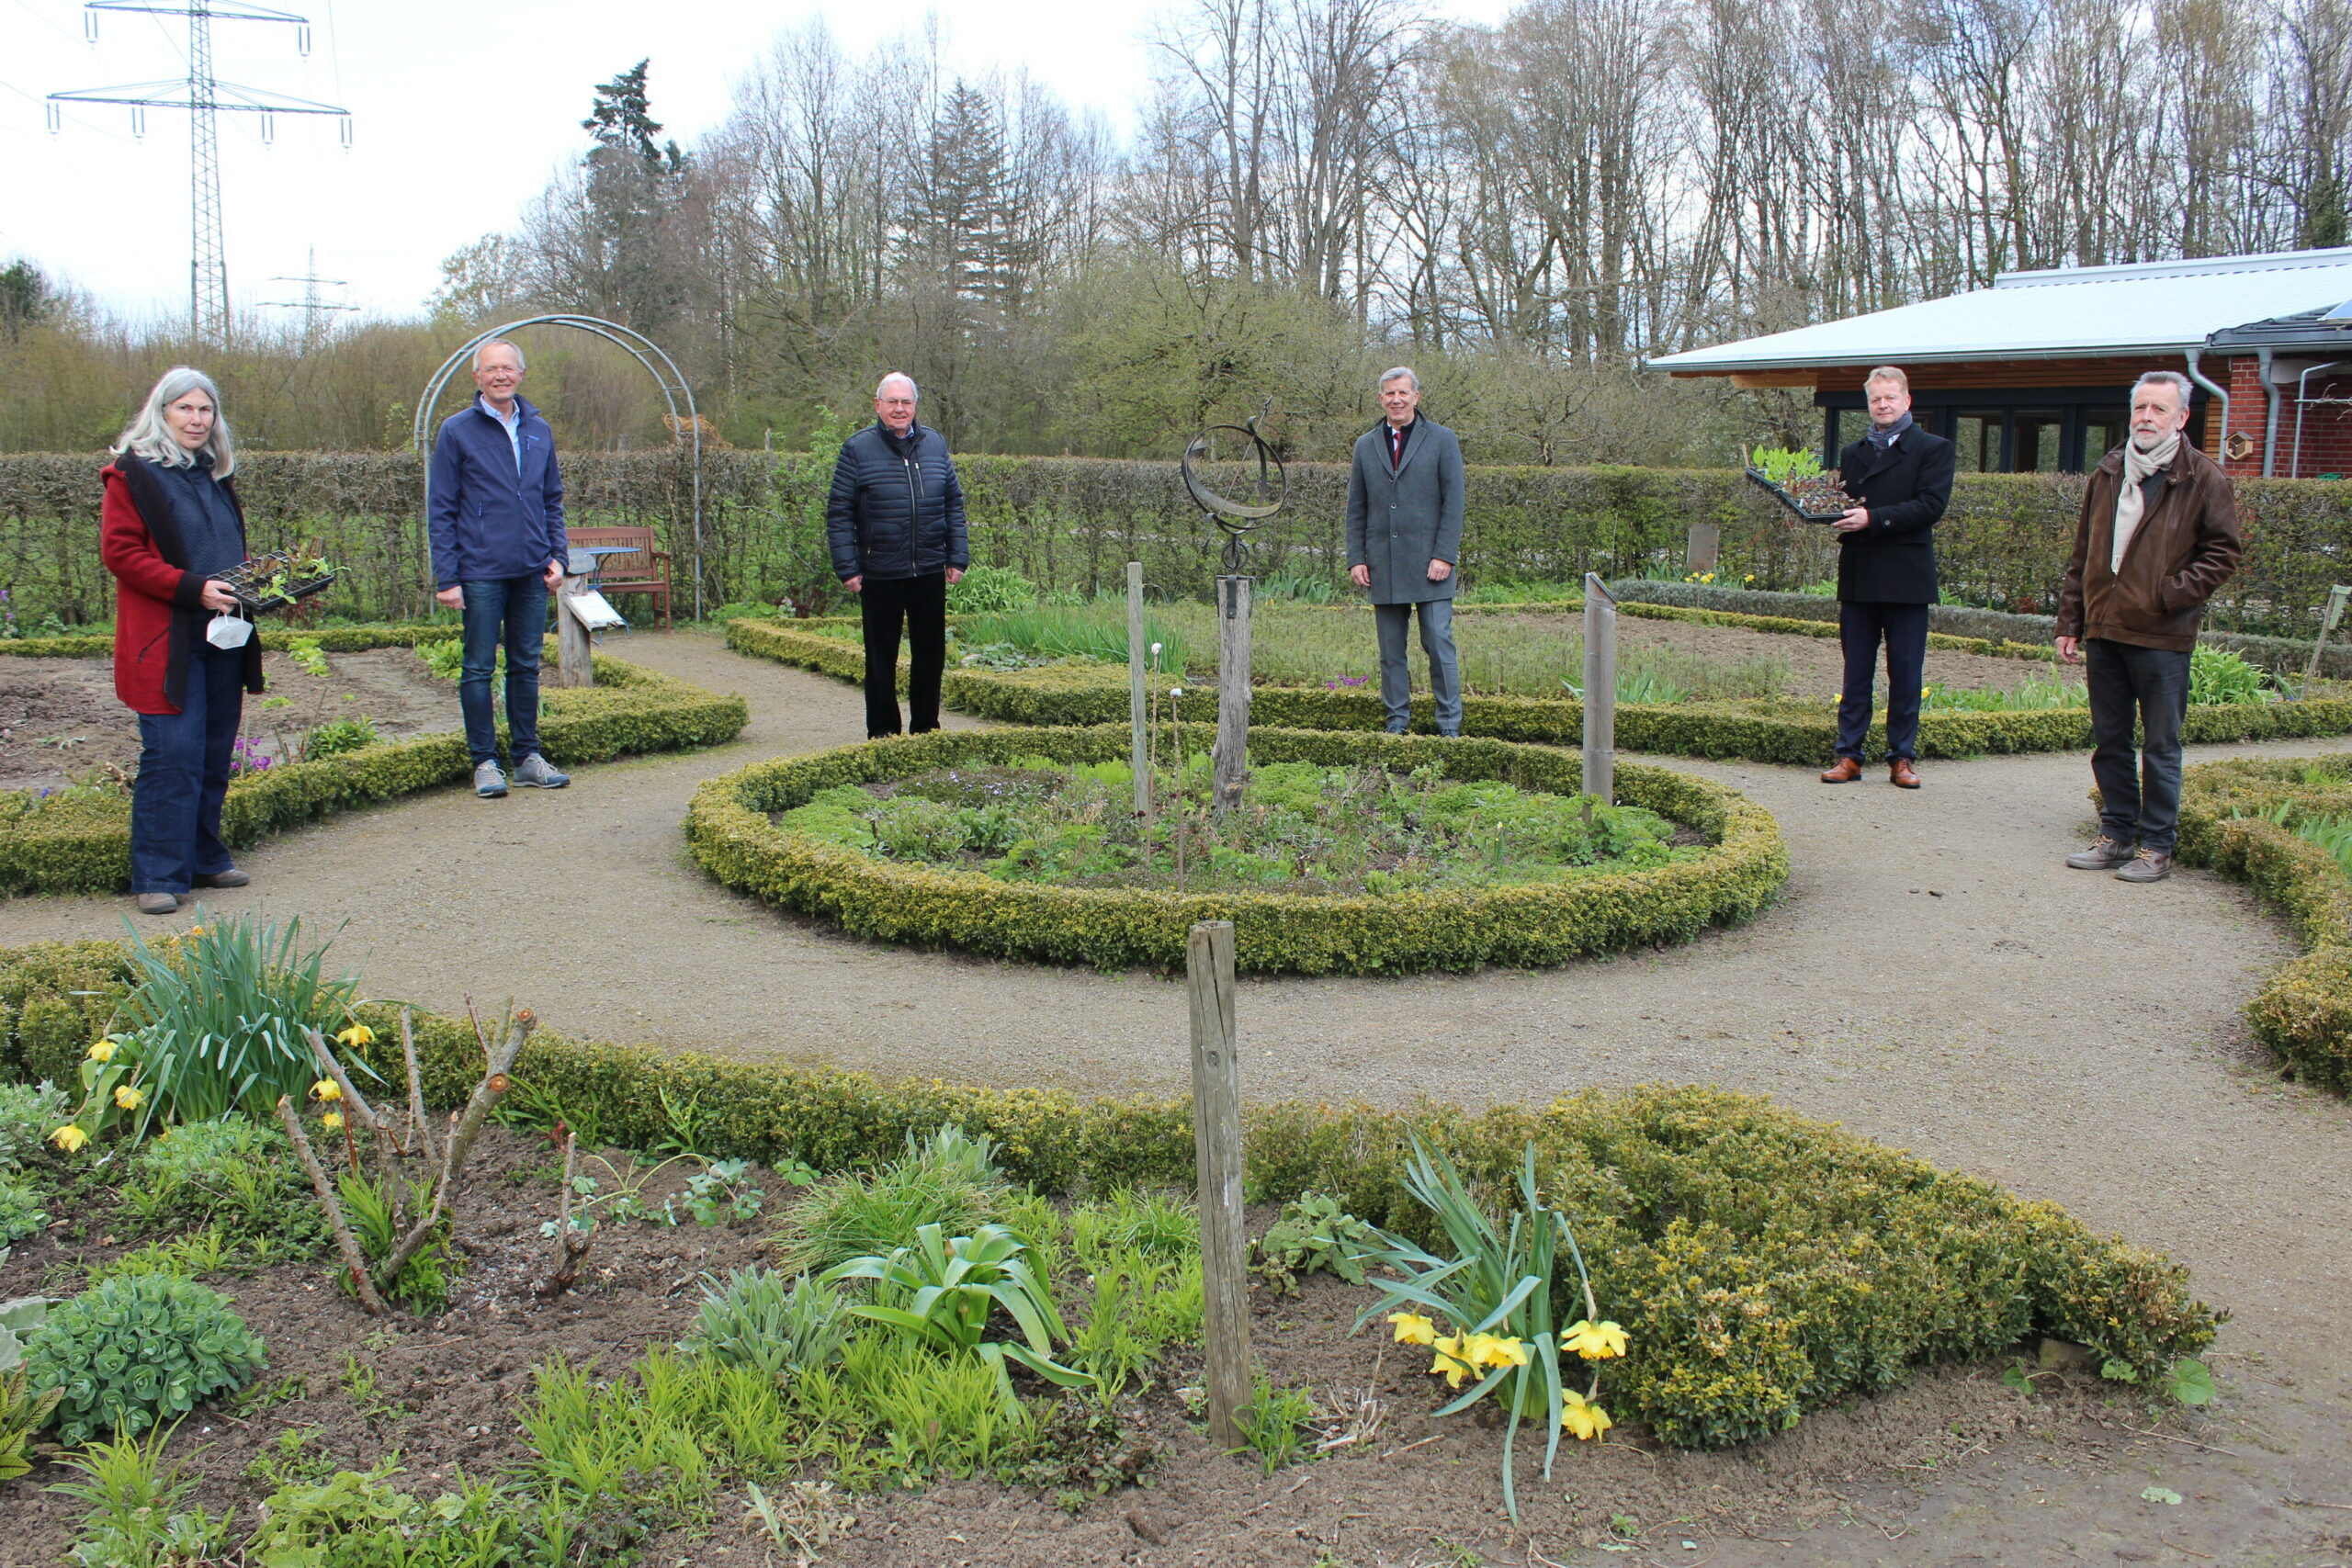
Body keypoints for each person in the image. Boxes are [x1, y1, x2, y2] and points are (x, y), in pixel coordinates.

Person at [2056, 372, 2243, 884]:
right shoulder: (2109, 470)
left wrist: (2168, 594)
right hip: (2105, 629)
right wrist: (2071, 619)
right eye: (2140, 408)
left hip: (2162, 634)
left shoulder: (2203, 478)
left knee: (2161, 746)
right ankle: (2116, 835)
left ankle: (2157, 847)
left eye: (2159, 409)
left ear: (2181, 417)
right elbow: (2084, 553)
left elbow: (2223, 553)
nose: (2146, 418)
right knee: (2110, 740)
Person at [99, 367, 266, 916]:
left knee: (215, 748)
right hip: (164, 640)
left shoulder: (215, 476)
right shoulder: (133, 476)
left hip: (222, 636)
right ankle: (157, 874)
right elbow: (121, 554)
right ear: (162, 413)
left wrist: (260, 586)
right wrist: (193, 589)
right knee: (173, 752)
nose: (197, 419)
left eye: (206, 410)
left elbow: (224, 553)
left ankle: (203, 856)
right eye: (185, 408)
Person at [428, 339, 570, 798]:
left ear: (521, 374)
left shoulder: (539, 430)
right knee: (478, 668)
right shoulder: (456, 431)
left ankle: (528, 757)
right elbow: (442, 507)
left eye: (508, 368)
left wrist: (558, 556)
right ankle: (485, 762)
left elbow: (551, 500)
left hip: (531, 568)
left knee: (526, 665)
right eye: (491, 369)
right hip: (481, 570)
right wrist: (447, 577)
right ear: (477, 378)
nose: (500, 375)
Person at [1819, 366, 1955, 789]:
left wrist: (1873, 519)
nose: (1883, 405)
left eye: (1891, 397)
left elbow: (1931, 506)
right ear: (1869, 403)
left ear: (1907, 401)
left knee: (1906, 671)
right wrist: (1827, 513)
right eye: (1876, 398)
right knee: (1855, 670)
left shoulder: (1933, 448)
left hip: (1907, 576)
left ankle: (1902, 758)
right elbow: (1846, 503)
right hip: (1860, 573)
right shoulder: (1852, 451)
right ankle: (1849, 755)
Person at [827, 373, 968, 738]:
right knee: (880, 658)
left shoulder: (935, 444)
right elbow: (840, 512)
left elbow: (953, 503)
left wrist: (957, 556)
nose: (900, 409)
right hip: (879, 570)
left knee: (930, 655)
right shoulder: (857, 449)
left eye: (906, 402)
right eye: (892, 402)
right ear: (878, 405)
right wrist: (847, 567)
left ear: (915, 405)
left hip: (927, 568)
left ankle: (926, 729)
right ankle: (884, 732)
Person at [1345, 367, 1464, 737]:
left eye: (1403, 393)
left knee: (1438, 645)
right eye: (1389, 394)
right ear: (1380, 398)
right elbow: (1357, 507)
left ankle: (1449, 725)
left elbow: (1454, 503)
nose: (1396, 400)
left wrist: (1444, 555)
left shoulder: (1443, 440)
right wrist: (1357, 557)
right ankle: (1397, 721)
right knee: (1391, 652)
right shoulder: (1366, 445)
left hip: (1431, 564)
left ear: (1416, 396)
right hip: (1384, 564)